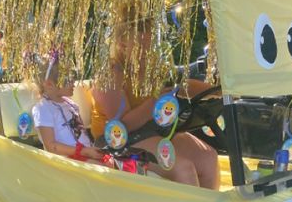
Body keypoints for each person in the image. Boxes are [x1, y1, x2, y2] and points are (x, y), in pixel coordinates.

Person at [90, 13, 220, 189]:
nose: (148, 52)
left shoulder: (150, 67)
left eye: (150, 46)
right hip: (117, 142)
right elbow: (121, 129)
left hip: (150, 131)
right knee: (183, 168)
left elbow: (182, 86)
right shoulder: (111, 75)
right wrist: (154, 102)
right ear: (121, 45)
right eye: (141, 47)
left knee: (208, 157)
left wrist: (220, 92)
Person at [31, 55, 104, 162]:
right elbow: (51, 146)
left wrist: (89, 151)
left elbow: (81, 134)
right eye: (68, 79)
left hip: (85, 156)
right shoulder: (43, 109)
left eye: (73, 76)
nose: (73, 81)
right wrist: (84, 151)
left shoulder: (71, 104)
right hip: (67, 163)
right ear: (50, 84)